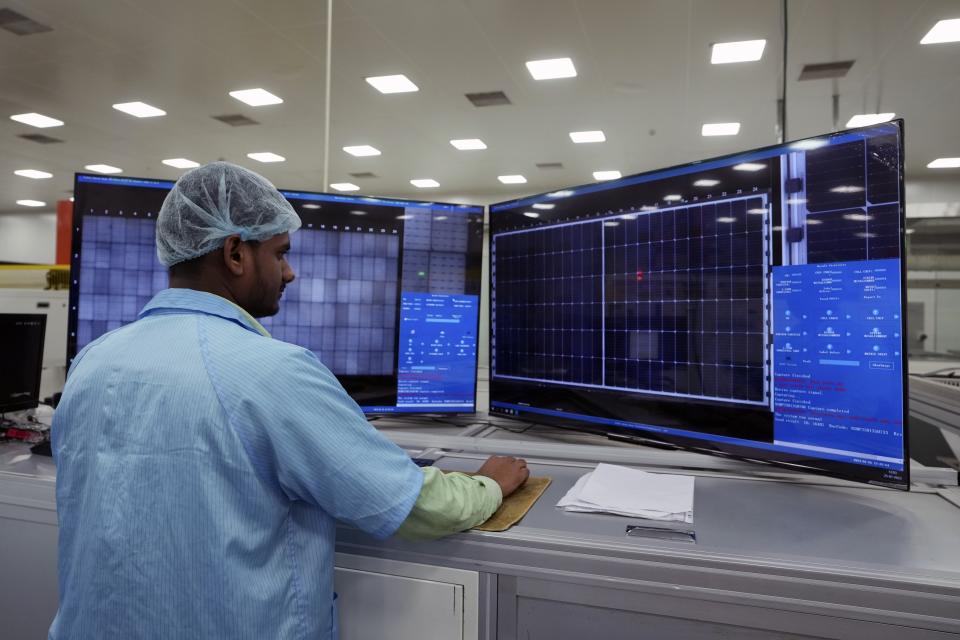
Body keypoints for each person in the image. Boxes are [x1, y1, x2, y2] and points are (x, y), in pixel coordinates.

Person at [49, 162, 528, 640]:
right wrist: (487, 485)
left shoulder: (92, 361)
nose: (290, 272)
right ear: (235, 252)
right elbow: (406, 503)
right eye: (281, 253)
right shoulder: (274, 370)